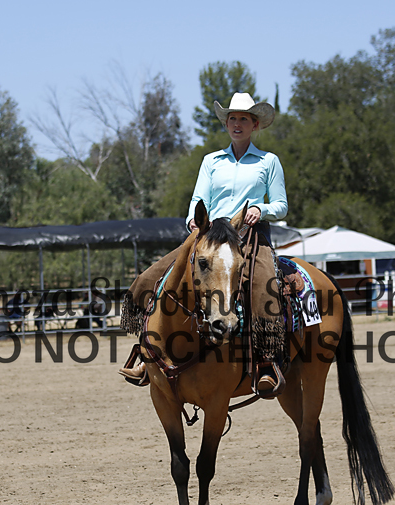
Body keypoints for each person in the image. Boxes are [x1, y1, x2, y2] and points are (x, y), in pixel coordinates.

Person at [119, 92, 287, 396]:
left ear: (255, 124)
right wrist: (192, 222)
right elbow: (199, 198)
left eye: (244, 119)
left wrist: (261, 209)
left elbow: (281, 204)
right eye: (232, 118)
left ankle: (266, 362)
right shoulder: (211, 161)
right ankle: (147, 352)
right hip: (210, 235)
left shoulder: (268, 162)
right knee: (154, 276)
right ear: (227, 123)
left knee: (264, 286)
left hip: (248, 234)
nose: (237, 124)